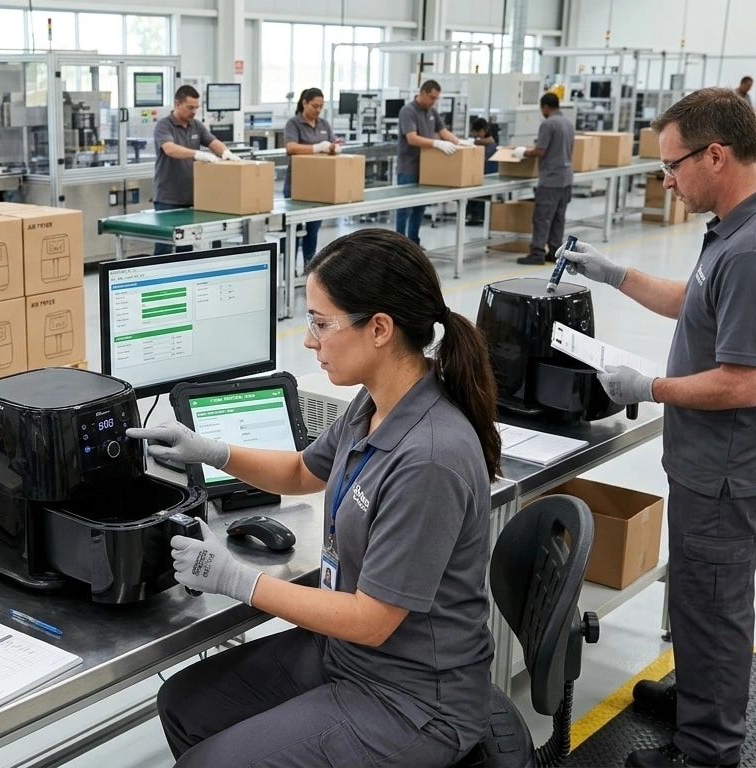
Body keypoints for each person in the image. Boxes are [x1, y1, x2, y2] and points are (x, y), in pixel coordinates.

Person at [129, 227, 501, 767]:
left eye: (321, 323)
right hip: (350, 657)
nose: (309, 340)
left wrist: (237, 579)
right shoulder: (374, 404)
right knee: (184, 703)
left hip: (413, 697)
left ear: (379, 329)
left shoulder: (430, 457)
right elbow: (303, 470)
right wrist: (209, 450)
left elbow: (372, 619)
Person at [561, 87, 756, 768]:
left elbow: (743, 381)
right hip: (713, 459)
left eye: (673, 166)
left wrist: (651, 387)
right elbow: (693, 302)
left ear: (717, 155)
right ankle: (699, 696)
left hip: (726, 465)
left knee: (714, 604)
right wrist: (614, 275)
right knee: (700, 597)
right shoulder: (737, 227)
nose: (666, 180)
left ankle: (708, 749)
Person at [153, 84, 235, 255]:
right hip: (168, 199)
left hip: (193, 198)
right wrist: (197, 154)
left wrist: (226, 153)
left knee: (187, 246)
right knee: (164, 246)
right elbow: (170, 149)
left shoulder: (196, 126)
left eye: (196, 108)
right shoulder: (164, 126)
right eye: (190, 107)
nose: (194, 111)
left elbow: (213, 143)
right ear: (177, 104)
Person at [395, 80, 471, 246]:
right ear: (422, 93)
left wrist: (459, 142)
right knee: (404, 208)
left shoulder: (432, 111)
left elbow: (442, 131)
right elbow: (412, 138)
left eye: (436, 98)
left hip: (426, 168)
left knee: (419, 208)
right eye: (431, 97)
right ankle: (399, 245)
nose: (433, 101)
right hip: (408, 167)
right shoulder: (408, 111)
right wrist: (436, 143)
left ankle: (413, 243)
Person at [515, 93, 575, 265]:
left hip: (550, 180)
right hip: (566, 178)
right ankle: (555, 252)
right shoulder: (568, 123)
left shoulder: (548, 124)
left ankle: (537, 253)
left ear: (546, 107)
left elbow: (540, 151)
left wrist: (523, 152)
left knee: (542, 217)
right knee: (558, 217)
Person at [284, 87, 340, 268]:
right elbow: (291, 147)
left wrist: (333, 147)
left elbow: (331, 144)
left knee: (312, 231)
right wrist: (317, 147)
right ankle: (289, 271)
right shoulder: (294, 123)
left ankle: (309, 270)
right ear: (304, 103)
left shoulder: (324, 124)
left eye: (321, 107)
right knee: (292, 230)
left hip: (318, 187)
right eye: (314, 106)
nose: (318, 110)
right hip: (296, 186)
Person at [465, 116, 499, 225]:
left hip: (487, 176)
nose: (476, 134)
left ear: (484, 130)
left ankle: (477, 216)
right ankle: (474, 215)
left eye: (478, 132)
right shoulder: (482, 143)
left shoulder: (490, 146)